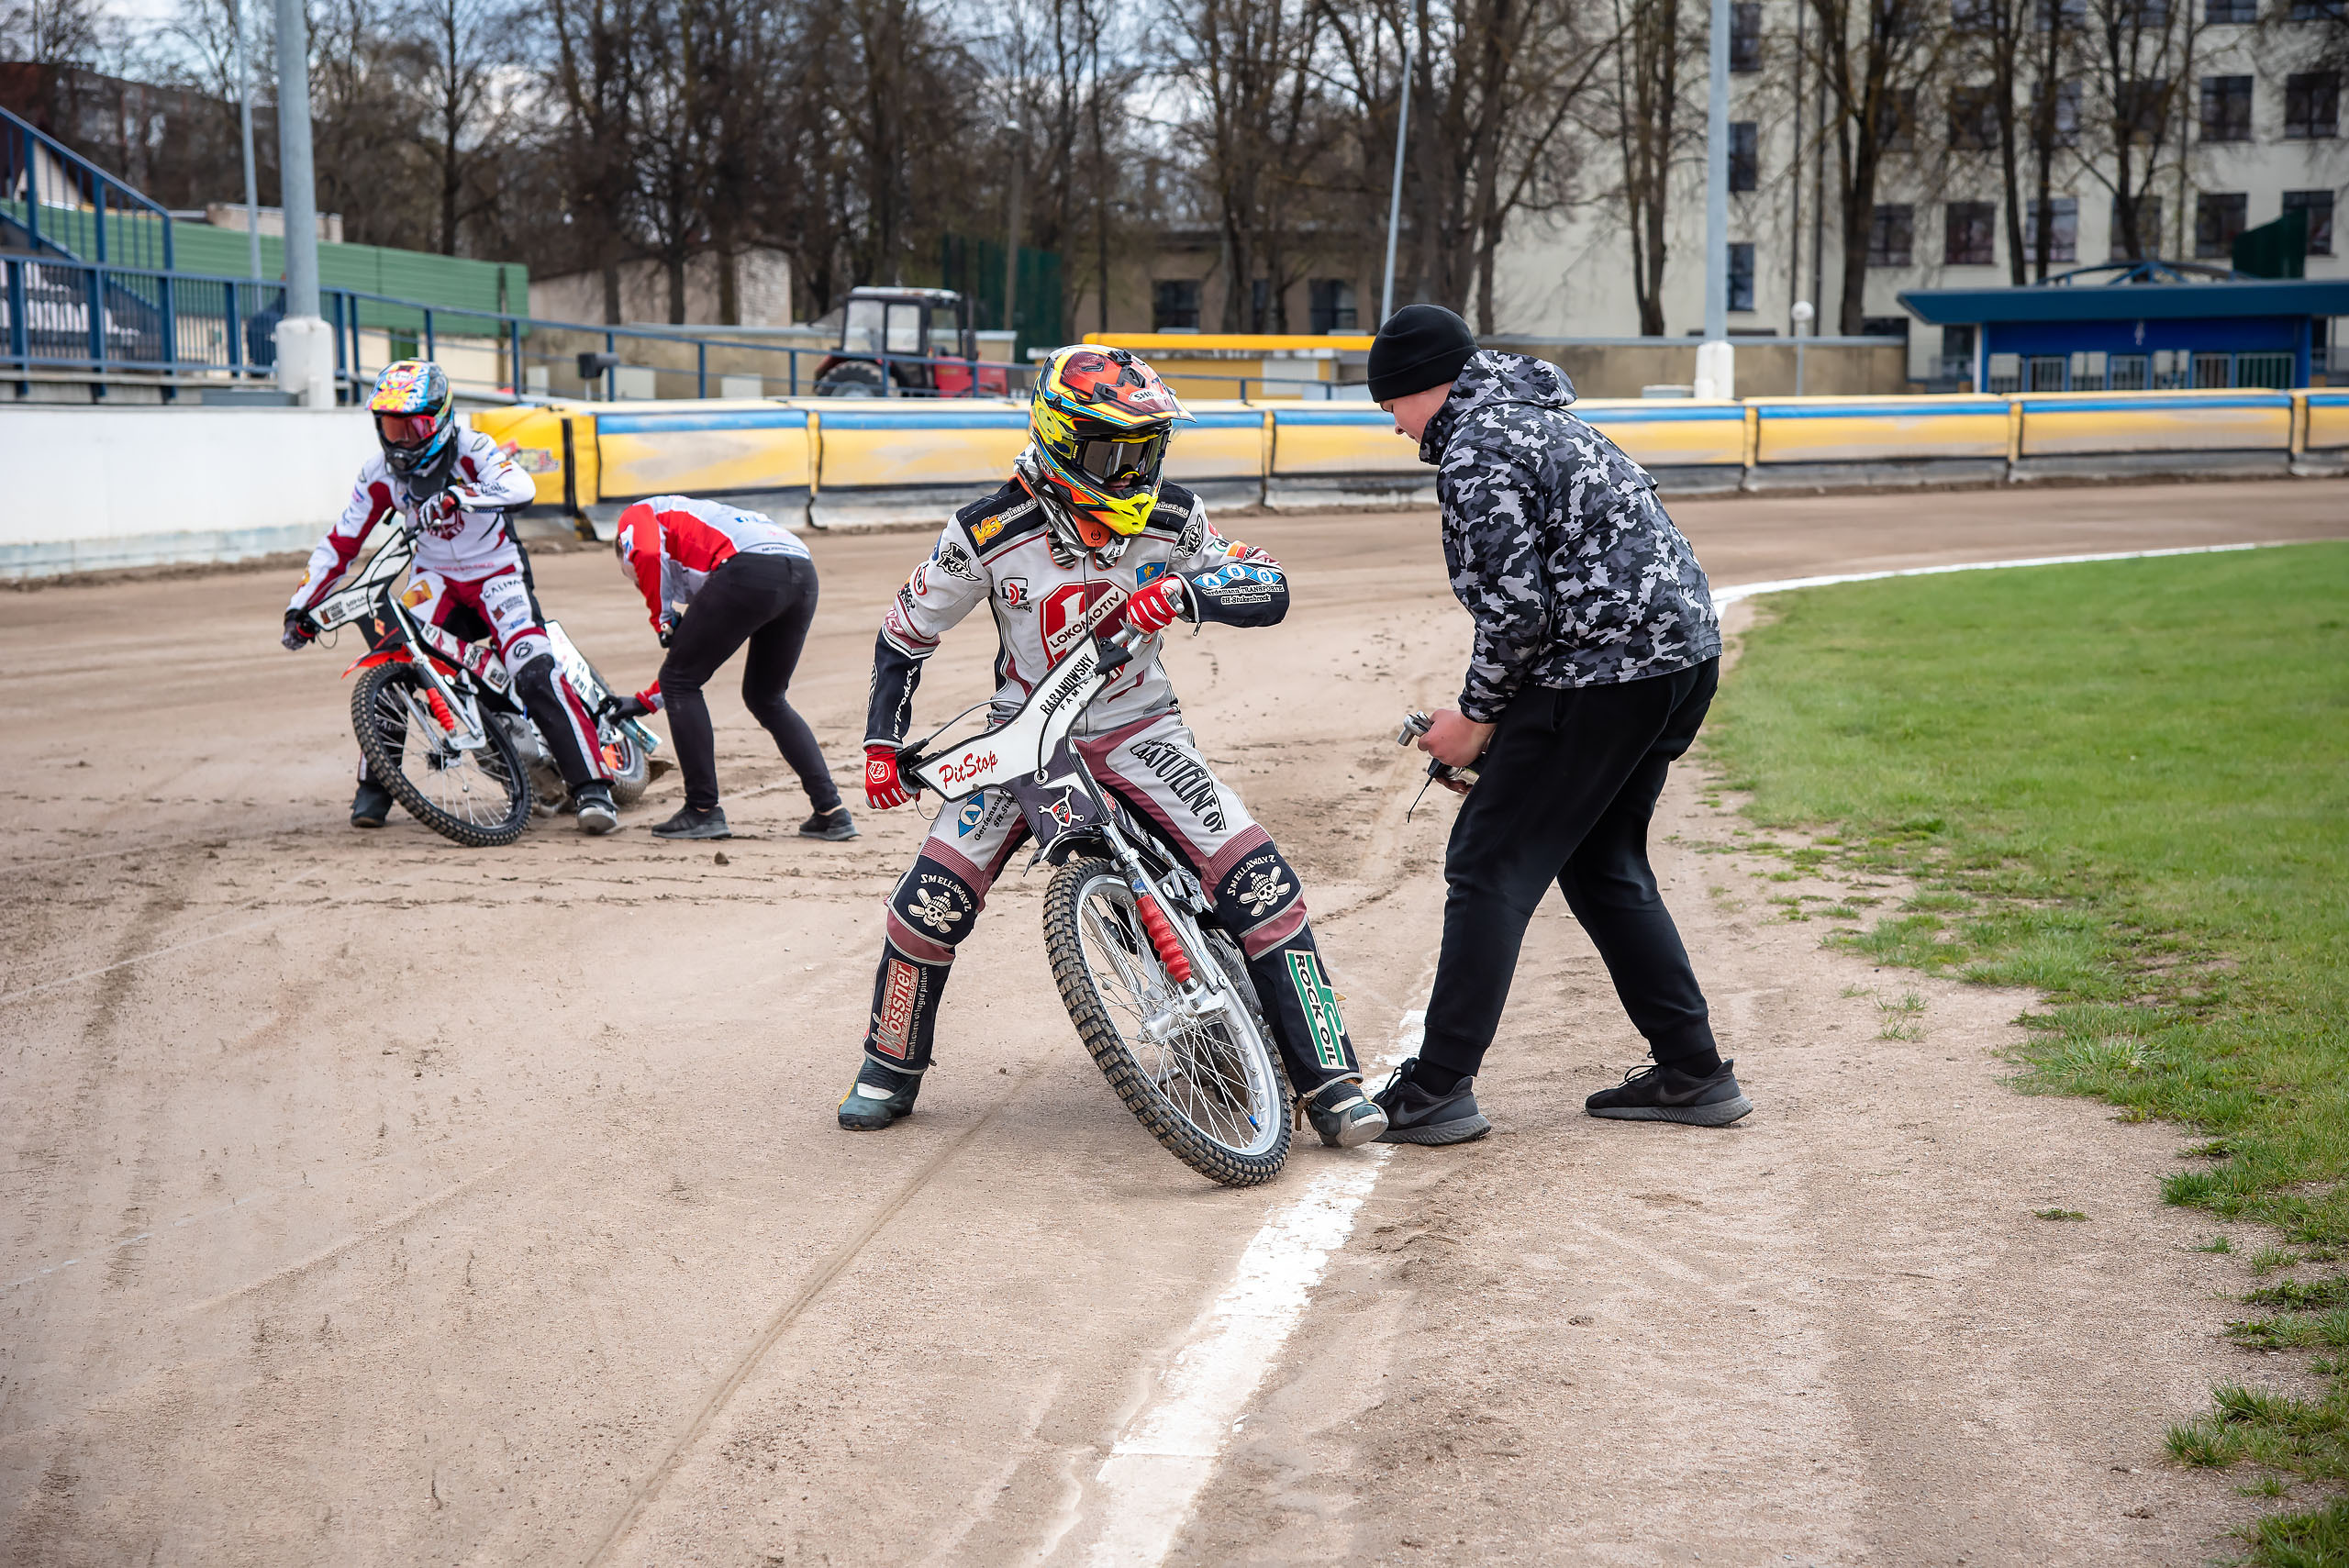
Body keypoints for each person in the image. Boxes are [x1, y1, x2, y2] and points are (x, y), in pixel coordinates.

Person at [838, 345, 1386, 1149]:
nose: (1131, 472)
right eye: (1111, 451)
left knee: (1263, 884)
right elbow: (904, 632)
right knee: (927, 904)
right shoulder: (986, 530)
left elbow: (1270, 586)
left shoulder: (1175, 516)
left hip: (1141, 730)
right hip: (1022, 740)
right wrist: (882, 742)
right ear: (1060, 441)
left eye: (1146, 450)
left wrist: (1192, 587)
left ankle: (1332, 1082)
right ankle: (889, 1064)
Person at [1364, 305, 1750, 1141]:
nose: (1392, 424)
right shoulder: (1539, 417)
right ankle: (1693, 1070)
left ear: (1422, 387)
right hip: (1680, 659)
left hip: (1605, 668)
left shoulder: (1474, 447)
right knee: (1601, 860)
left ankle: (1434, 1090)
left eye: (1389, 404)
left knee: (1488, 860)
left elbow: (1515, 613)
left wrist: (1472, 719)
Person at [282, 360, 618, 833]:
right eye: (391, 426)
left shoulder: (473, 447)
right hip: (434, 577)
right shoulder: (377, 473)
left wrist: (466, 495)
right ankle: (374, 790)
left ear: (440, 419)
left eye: (413, 426)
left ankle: (593, 789)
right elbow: (341, 542)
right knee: (390, 663)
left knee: (534, 669)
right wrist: (302, 605)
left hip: (497, 572)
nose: (401, 439)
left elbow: (522, 485)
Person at [598, 495, 851, 841]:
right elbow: (691, 660)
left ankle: (702, 810)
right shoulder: (699, 545)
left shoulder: (637, 514)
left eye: (638, 580)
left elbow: (647, 555)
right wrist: (645, 702)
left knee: (683, 682)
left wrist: (660, 617)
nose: (644, 584)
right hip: (801, 569)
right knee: (767, 698)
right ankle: (832, 811)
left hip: (750, 568)